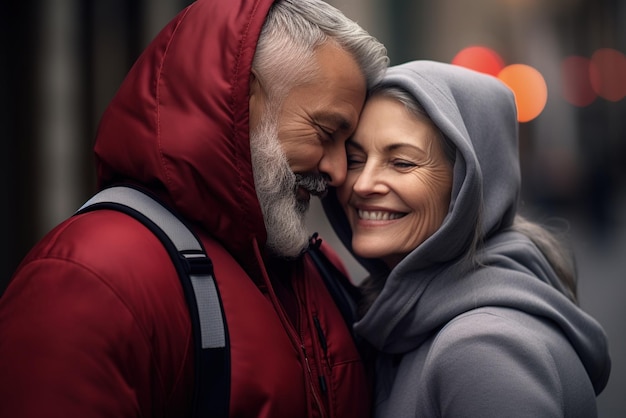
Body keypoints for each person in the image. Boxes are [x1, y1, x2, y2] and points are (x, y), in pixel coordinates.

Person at [0, 1, 388, 417]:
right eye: (326, 132)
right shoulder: (91, 275)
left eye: (346, 148)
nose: (337, 171)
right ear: (243, 98)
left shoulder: (316, 269)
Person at [321, 60, 611, 417]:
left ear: (467, 185)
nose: (363, 184)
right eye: (354, 159)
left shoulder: (482, 347)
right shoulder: (404, 321)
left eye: (402, 163)